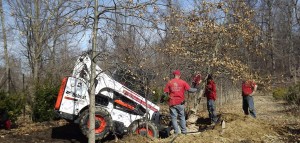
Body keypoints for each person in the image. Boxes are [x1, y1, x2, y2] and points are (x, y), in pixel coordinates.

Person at [164, 70, 196, 135]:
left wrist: (163, 99)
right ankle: (184, 132)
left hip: (172, 102)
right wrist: (196, 89)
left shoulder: (170, 82)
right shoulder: (183, 82)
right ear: (179, 75)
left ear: (174, 75)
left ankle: (176, 132)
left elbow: (165, 93)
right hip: (180, 103)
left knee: (174, 118)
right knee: (182, 117)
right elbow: (190, 90)